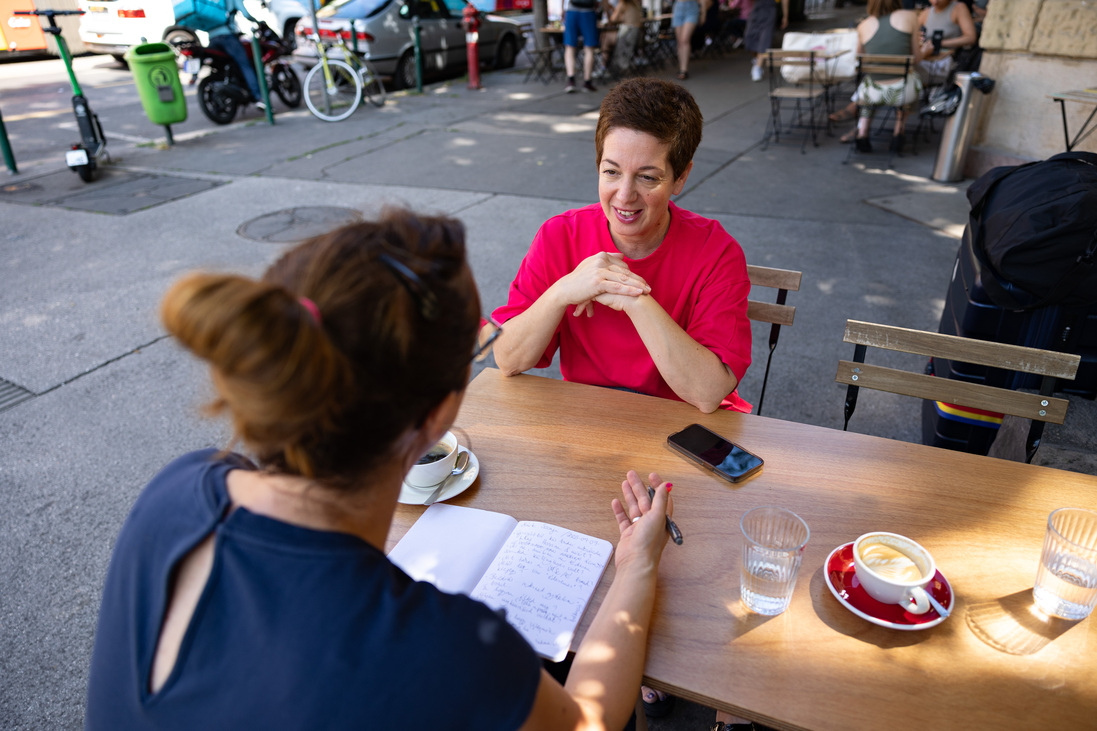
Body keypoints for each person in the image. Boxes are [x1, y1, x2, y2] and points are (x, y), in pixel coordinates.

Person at [83, 209, 674, 730]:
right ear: (441, 411)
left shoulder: (178, 488)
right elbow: (589, 721)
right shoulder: (447, 649)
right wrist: (637, 567)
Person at [492, 78, 752, 418]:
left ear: (681, 178)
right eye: (611, 171)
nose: (624, 195)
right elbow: (508, 360)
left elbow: (707, 393)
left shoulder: (716, 252)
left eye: (647, 177)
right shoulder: (560, 236)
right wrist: (561, 292)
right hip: (591, 421)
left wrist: (633, 299)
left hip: (682, 426)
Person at [844, 0, 925, 153]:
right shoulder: (910, 17)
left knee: (869, 83)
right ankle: (898, 131)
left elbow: (860, 58)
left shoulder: (863, 26)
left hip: (872, 94)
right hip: (902, 94)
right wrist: (926, 50)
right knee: (911, 78)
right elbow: (917, 58)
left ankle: (862, 132)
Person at [206, 0, 265, 109]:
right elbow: (245, 13)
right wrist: (257, 21)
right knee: (245, 65)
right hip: (227, 36)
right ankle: (259, 98)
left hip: (211, 39)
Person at [916, 0, 976, 82]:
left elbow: (970, 37)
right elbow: (913, 36)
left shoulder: (958, 8)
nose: (935, 2)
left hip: (948, 61)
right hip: (927, 59)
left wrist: (939, 43)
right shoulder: (925, 13)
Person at [563, 0, 605, 92]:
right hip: (588, 12)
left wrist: (563, 9)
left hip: (572, 11)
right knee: (589, 49)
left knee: (570, 47)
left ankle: (571, 81)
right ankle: (587, 82)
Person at [743, 0, 787, 82]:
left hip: (770, 9)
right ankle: (758, 59)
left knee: (765, 38)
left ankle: (758, 67)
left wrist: (785, 16)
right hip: (757, 8)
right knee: (748, 37)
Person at [672, 0, 709, 79]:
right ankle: (681, 67)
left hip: (691, 7)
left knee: (685, 39)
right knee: (680, 42)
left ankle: (684, 70)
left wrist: (703, 13)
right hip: (678, 7)